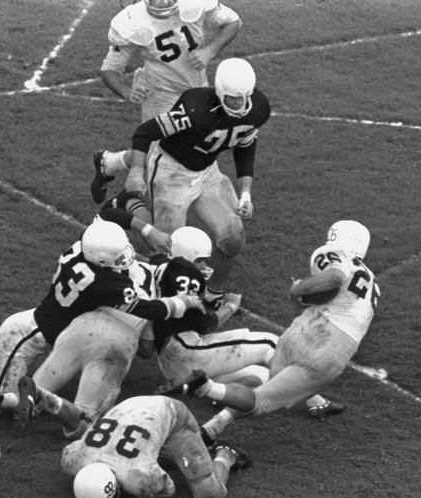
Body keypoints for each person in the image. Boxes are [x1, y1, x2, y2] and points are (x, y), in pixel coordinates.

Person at [0, 218, 204, 430]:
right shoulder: (105, 283)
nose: (126, 257)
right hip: (28, 337)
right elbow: (150, 309)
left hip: (26, 324)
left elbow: (107, 220)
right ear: (103, 260)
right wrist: (182, 302)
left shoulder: (81, 249)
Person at [182, 220, 379, 440]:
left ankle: (212, 428)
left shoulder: (334, 254)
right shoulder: (371, 282)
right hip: (329, 349)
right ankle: (208, 388)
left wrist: (301, 290)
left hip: (302, 331)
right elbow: (335, 279)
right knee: (259, 401)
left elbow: (330, 285)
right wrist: (297, 290)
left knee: (268, 387)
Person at [153, 226, 345, 417]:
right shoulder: (185, 279)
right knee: (270, 343)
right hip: (186, 350)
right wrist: (231, 307)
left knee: (262, 378)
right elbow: (206, 324)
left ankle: (213, 397)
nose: (204, 267)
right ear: (186, 256)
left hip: (172, 363)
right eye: (200, 261)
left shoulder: (159, 268)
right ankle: (316, 402)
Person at [115, 57, 270, 285]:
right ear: (219, 91)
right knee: (169, 248)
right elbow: (145, 132)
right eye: (233, 99)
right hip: (172, 172)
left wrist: (245, 192)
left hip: (208, 171)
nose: (240, 104)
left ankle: (213, 292)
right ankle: (129, 205)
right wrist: (137, 171)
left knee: (233, 239)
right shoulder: (196, 109)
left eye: (245, 97)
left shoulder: (258, 107)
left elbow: (245, 145)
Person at [90, 0, 242, 203]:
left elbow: (233, 22)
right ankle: (140, 204)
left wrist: (210, 50)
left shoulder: (195, 6)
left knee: (191, 147)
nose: (163, 2)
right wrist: (127, 92)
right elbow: (109, 69)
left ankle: (109, 163)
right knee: (158, 156)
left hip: (198, 89)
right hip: (162, 95)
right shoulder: (133, 21)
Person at [60, 394, 249, 498]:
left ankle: (226, 453)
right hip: (130, 405)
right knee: (155, 454)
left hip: (172, 413)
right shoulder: (73, 460)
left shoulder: (138, 477)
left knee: (208, 492)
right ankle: (195, 445)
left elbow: (168, 490)